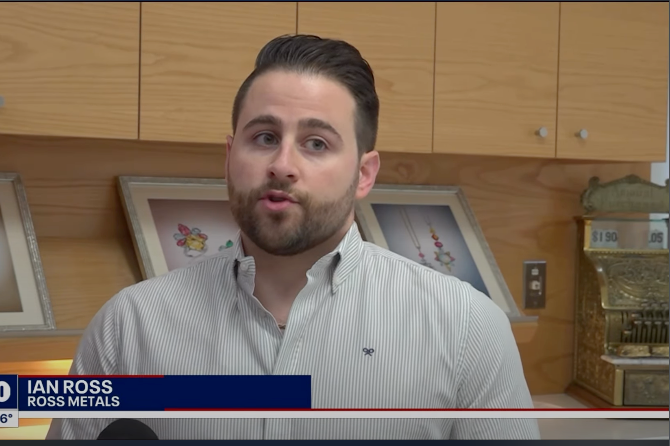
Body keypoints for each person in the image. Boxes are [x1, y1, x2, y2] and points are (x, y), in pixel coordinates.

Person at [46, 34, 540, 440]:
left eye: (316, 143)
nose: (282, 164)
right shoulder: (128, 329)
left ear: (364, 174)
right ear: (229, 158)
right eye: (264, 137)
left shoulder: (466, 329)